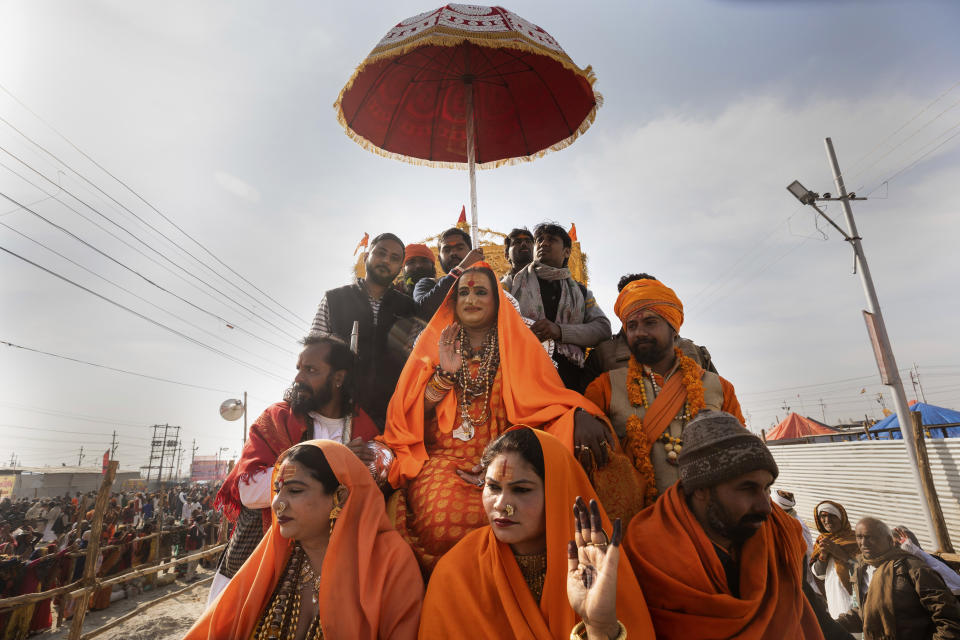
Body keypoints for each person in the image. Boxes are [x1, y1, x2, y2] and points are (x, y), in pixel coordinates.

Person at [377, 263, 641, 573]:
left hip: (509, 456)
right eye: (463, 292)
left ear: (497, 300)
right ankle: (450, 600)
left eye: (480, 292)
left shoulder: (520, 346)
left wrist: (577, 415)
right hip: (445, 458)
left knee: (522, 515)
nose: (471, 299)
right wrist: (445, 375)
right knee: (443, 523)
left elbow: (548, 403)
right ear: (453, 301)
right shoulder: (434, 346)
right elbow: (406, 415)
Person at [420, 427, 654, 639]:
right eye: (492, 487)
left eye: (521, 490)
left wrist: (599, 627)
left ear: (556, 492)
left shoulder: (596, 568)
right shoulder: (456, 574)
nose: (502, 505)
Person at [186, 440, 423, 640]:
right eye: (278, 490)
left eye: (295, 491)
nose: (278, 503)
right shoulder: (273, 560)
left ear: (339, 497)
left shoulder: (388, 561)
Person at [623, 411, 824, 639]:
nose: (765, 506)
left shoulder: (780, 532)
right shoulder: (648, 554)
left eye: (767, 488)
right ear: (700, 489)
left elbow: (811, 609)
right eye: (747, 488)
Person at [211, 334, 378, 604]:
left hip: (338, 566)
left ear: (338, 378)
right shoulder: (278, 418)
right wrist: (333, 460)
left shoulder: (365, 429)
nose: (299, 377)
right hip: (263, 560)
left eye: (310, 370)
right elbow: (249, 492)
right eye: (299, 368)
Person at [584, 277, 745, 507]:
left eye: (650, 322)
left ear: (673, 328)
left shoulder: (719, 387)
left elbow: (740, 455)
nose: (639, 332)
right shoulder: (604, 387)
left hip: (711, 522)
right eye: (632, 326)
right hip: (639, 527)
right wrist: (578, 416)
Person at [310, 232, 416, 430]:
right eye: (381, 253)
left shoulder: (409, 309)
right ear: (367, 257)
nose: (386, 261)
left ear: (400, 269)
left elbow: (414, 365)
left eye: (394, 258)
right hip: (336, 414)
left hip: (392, 418)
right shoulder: (335, 299)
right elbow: (313, 355)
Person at [501, 223, 611, 392]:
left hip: (569, 381)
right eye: (540, 240)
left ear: (567, 251)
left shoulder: (580, 293)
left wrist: (560, 331)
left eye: (551, 240)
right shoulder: (510, 284)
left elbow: (603, 329)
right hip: (522, 377)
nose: (544, 243)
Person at [582, 273, 718, 388]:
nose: (641, 332)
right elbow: (582, 407)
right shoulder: (603, 355)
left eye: (650, 322)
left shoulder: (694, 352)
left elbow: (720, 403)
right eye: (633, 300)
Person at [837, 517, 960, 639]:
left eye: (870, 537)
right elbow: (866, 611)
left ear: (890, 541)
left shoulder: (914, 569)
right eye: (859, 537)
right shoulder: (861, 569)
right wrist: (832, 625)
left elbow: (949, 620)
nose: (863, 543)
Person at [413, 226, 484, 319]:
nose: (453, 253)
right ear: (439, 259)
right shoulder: (427, 284)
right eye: (447, 250)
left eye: (459, 248)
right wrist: (461, 268)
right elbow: (423, 309)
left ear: (472, 253)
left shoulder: (490, 283)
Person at [812, 500, 859, 619]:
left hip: (855, 595)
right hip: (834, 595)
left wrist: (839, 553)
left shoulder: (856, 540)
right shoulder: (821, 542)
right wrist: (823, 554)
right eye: (823, 516)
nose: (827, 520)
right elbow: (819, 574)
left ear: (841, 518)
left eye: (832, 516)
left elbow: (864, 568)